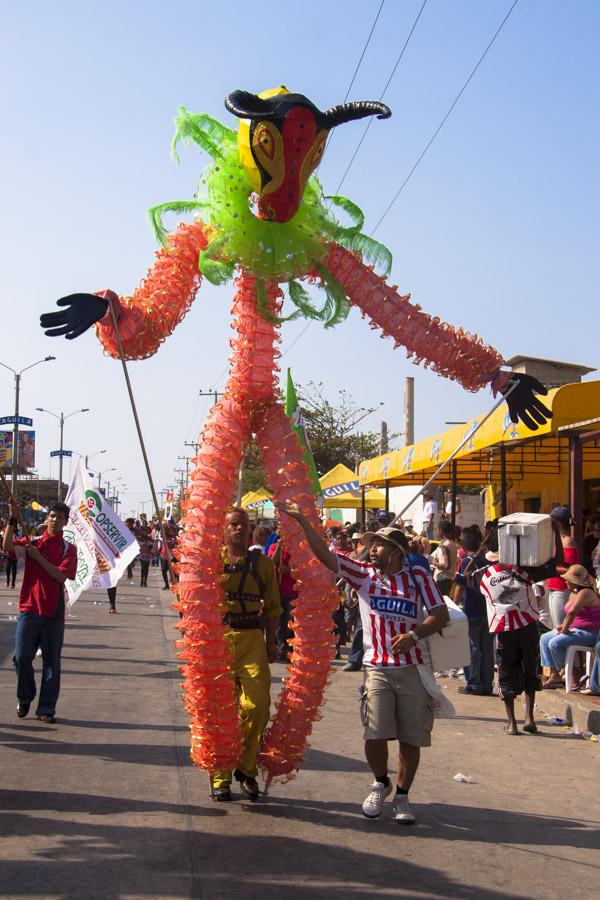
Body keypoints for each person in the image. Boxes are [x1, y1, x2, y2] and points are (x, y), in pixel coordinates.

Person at [276, 501, 449, 825]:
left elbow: (439, 614)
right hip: (376, 667)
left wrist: (415, 634)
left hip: (411, 668)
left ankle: (401, 796)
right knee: (374, 733)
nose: (371, 550)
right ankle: (380, 782)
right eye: (370, 545)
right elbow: (326, 557)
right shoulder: (364, 574)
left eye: (378, 545)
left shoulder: (418, 578)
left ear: (396, 551)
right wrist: (303, 524)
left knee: (411, 738)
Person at [210, 507, 281, 802]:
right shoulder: (212, 561)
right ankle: (220, 777)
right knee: (221, 711)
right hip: (219, 640)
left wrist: (271, 641)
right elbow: (193, 600)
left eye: (245, 525)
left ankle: (247, 768)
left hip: (253, 638)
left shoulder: (262, 563)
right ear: (224, 530)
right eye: (234, 525)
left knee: (258, 706)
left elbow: (275, 607)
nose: (240, 529)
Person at [4, 501, 77, 723]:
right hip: (29, 608)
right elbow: (7, 547)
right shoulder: (32, 542)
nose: (55, 520)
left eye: (60, 517)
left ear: (65, 522)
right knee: (21, 657)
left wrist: (38, 558)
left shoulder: (68, 549)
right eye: (52, 516)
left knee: (52, 662)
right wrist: (12, 520)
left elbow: (60, 576)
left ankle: (45, 709)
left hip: (53, 612)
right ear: (47, 519)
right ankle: (25, 696)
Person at [540, 565, 600, 689]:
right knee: (544, 639)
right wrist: (562, 627)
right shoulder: (574, 593)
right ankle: (555, 674)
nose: (565, 581)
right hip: (575, 629)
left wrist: (565, 629)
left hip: (589, 632)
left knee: (555, 643)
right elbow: (569, 614)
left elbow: (572, 612)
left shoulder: (586, 593)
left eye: (568, 579)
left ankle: (574, 671)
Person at [453, 530, 494, 695]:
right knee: (486, 648)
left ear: (463, 546)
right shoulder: (489, 561)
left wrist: (453, 605)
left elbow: (460, 585)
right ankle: (487, 684)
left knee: (473, 648)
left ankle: (474, 684)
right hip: (488, 611)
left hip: (471, 611)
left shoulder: (466, 562)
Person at [545, 506, 579, 627]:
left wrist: (550, 568)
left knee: (560, 627)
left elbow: (572, 569)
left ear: (558, 522)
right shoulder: (558, 540)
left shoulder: (567, 542)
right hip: (554, 587)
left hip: (562, 589)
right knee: (556, 626)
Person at [430, 520, 458, 597]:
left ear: (440, 530)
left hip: (442, 579)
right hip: (448, 578)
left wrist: (434, 563)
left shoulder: (445, 545)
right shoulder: (453, 544)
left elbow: (446, 565)